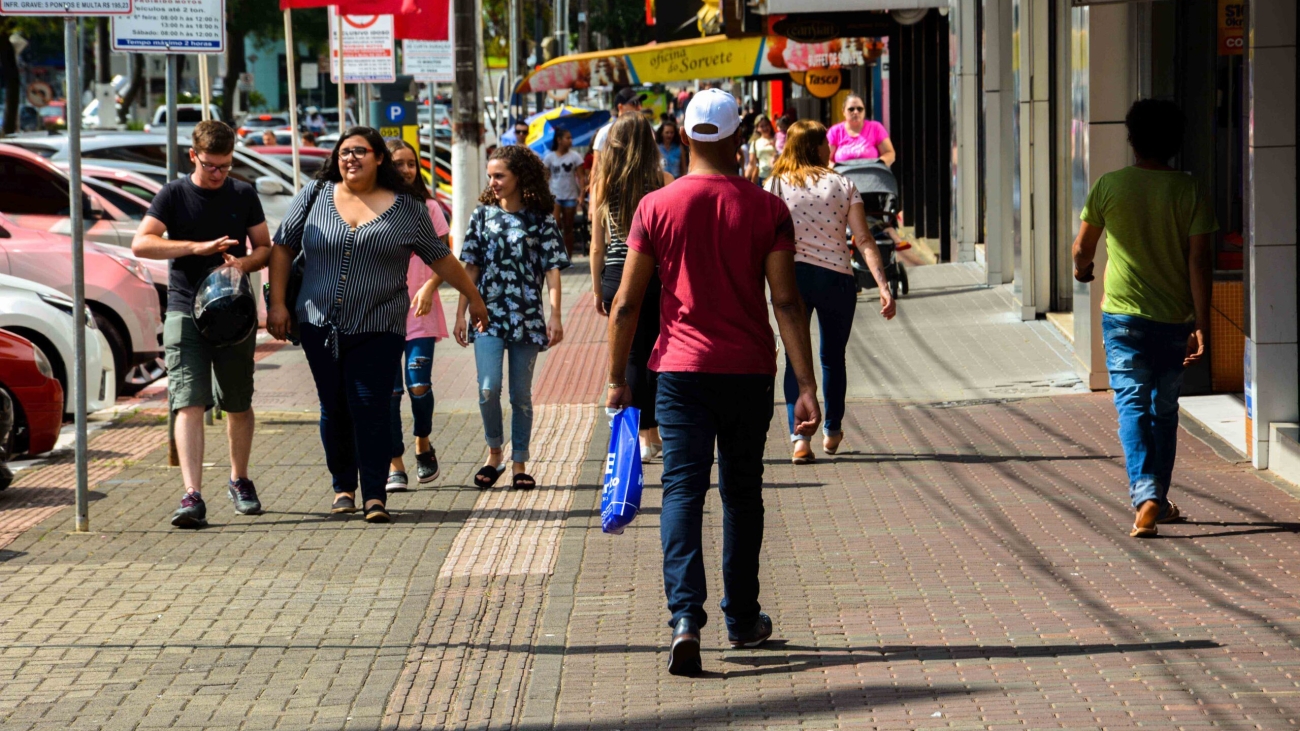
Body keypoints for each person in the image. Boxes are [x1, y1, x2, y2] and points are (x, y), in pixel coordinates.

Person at [606, 89, 821, 676]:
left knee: (681, 490)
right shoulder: (765, 208)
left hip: (677, 371)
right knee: (742, 494)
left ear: (686, 132)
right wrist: (807, 383)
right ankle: (743, 618)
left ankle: (684, 620)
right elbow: (785, 299)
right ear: (734, 136)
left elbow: (626, 303)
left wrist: (616, 380)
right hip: (748, 370)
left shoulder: (655, 206)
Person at [267, 127, 489, 523]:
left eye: (359, 152)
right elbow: (282, 245)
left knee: (370, 407)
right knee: (333, 407)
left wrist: (473, 298)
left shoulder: (407, 208)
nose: (350, 159)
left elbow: (441, 258)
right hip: (319, 323)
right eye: (344, 152)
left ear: (379, 158)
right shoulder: (315, 196)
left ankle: (374, 496)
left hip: (379, 323)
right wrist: (278, 304)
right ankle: (343, 488)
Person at [1072, 99, 1216, 539]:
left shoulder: (1109, 186)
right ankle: (1156, 497)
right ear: (1175, 143)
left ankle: (1146, 495)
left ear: (1132, 139)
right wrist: (1201, 325)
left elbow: (1082, 250)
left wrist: (1083, 272)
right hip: (1173, 318)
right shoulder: (1188, 190)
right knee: (1164, 408)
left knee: (1132, 402)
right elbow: (1198, 261)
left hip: (1122, 318)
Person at [131, 120, 272, 528]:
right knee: (188, 400)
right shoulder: (174, 194)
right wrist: (196, 247)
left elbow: (265, 246)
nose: (218, 174)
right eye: (211, 165)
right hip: (183, 308)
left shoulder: (243, 193)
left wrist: (244, 263)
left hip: (234, 312)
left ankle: (239, 480)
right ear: (193, 156)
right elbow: (143, 242)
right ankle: (192, 494)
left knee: (237, 401)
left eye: (225, 166)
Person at [765, 120, 897, 464]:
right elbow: (863, 239)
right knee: (832, 358)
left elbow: (763, 239)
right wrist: (883, 285)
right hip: (837, 279)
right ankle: (833, 429)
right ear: (815, 147)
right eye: (825, 142)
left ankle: (799, 439)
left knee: (796, 359)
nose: (830, 148)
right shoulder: (843, 184)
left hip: (790, 280)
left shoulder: (775, 185)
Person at [456, 145, 570, 491]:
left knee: (520, 395)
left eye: (499, 175)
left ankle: (520, 461)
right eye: (490, 176)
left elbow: (552, 270)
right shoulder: (482, 215)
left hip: (527, 317)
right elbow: (470, 267)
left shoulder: (541, 218)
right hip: (485, 316)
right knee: (488, 388)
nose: (493, 182)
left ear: (519, 176)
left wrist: (555, 315)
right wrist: (460, 313)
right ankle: (494, 453)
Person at [591, 114, 674, 460]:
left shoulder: (604, 184)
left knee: (632, 356)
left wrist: (598, 289)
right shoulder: (665, 180)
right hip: (655, 274)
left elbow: (597, 245)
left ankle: (642, 435)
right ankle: (654, 433)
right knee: (659, 353)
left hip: (616, 274)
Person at [384, 139, 450, 493]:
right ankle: (396, 464)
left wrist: (429, 287)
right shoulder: (374, 207)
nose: (406, 170)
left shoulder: (429, 208)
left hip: (421, 313)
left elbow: (446, 258)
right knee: (391, 393)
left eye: (411, 163)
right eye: (398, 163)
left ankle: (422, 442)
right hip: (381, 316)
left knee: (418, 386)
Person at [542, 128, 586, 258]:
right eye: (568, 138)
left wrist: (581, 195)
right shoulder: (550, 157)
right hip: (554, 195)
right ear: (559, 140)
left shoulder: (575, 156)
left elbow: (581, 177)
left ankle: (568, 257)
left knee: (568, 227)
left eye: (571, 138)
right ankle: (555, 255)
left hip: (570, 195)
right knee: (555, 225)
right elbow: (545, 177)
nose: (570, 140)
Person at [826, 95, 895, 166]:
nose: (856, 112)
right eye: (851, 109)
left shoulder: (876, 128)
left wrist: (877, 166)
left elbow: (889, 153)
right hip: (842, 175)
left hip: (870, 175)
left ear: (864, 111)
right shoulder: (835, 131)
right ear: (843, 111)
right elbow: (825, 159)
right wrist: (834, 169)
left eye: (860, 109)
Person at [745, 115, 777, 186]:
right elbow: (751, 163)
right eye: (762, 126)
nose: (765, 128)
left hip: (776, 176)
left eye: (766, 125)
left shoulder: (778, 139)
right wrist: (744, 179)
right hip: (762, 177)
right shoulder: (755, 143)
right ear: (757, 128)